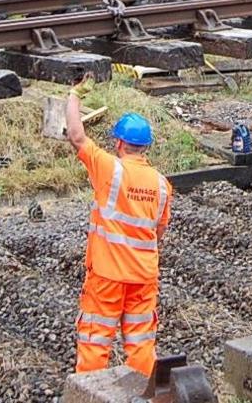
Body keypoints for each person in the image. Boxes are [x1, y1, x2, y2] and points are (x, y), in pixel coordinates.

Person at [64, 88, 172, 376]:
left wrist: (74, 96)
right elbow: (158, 232)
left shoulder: (109, 169)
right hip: (143, 277)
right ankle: (143, 392)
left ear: (120, 142)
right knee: (141, 342)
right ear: (145, 146)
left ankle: (91, 392)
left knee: (95, 340)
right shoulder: (161, 184)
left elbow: (76, 136)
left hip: (108, 275)